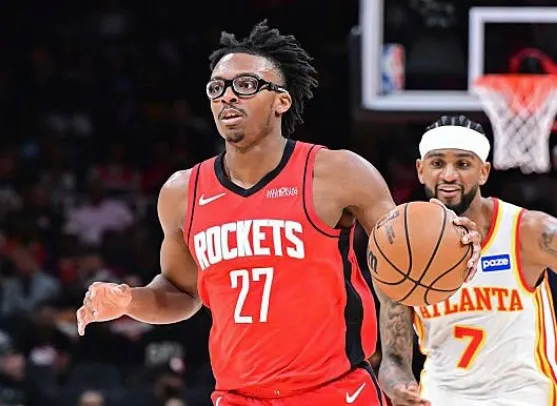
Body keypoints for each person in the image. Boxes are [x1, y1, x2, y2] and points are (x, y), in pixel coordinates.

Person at [76, 23, 480, 406]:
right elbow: (181, 293)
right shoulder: (182, 192)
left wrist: (452, 243)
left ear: (281, 101)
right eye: (217, 87)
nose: (227, 96)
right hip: (238, 395)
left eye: (245, 85)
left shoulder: (337, 172)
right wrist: (129, 301)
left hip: (334, 391)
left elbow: (403, 256)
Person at [377, 114, 557, 406]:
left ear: (483, 172)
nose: (449, 175)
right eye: (437, 163)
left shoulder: (530, 231)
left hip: (523, 396)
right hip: (441, 397)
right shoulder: (396, 248)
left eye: (463, 164)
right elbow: (393, 360)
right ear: (421, 170)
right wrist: (399, 386)